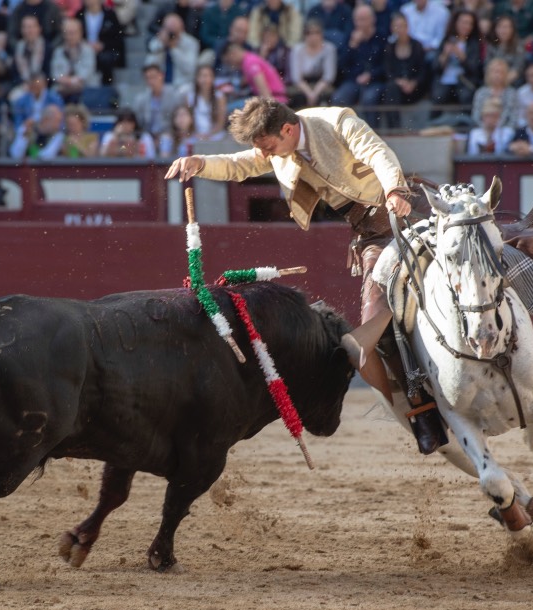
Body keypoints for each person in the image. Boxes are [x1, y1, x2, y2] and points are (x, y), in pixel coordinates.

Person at [163, 97, 449, 455]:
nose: (262, 153)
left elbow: (377, 152)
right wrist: (200, 163)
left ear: (286, 129)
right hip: (372, 234)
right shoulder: (276, 149)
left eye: (265, 144)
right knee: (363, 342)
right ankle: (421, 412)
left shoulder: (336, 121)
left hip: (409, 210)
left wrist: (394, 190)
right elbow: (241, 166)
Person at [329, 4, 383, 120]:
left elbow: (386, 66)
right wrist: (352, 46)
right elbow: (342, 64)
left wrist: (371, 75)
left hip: (375, 80)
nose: (360, 24)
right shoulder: (349, 37)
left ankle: (372, 133)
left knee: (369, 99)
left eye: (363, 19)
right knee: (339, 98)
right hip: (353, 80)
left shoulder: (381, 37)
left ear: (372, 19)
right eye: (357, 20)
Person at [429, 9, 483, 122]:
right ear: (456, 23)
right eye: (463, 22)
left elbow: (474, 69)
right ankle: (432, 125)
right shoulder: (446, 40)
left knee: (466, 96)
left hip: (464, 80)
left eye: (469, 23)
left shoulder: (474, 43)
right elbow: (435, 67)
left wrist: (462, 57)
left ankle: (466, 126)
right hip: (445, 80)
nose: (466, 26)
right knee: (438, 96)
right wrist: (445, 55)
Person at [380, 12, 429, 130]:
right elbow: (388, 71)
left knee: (391, 90)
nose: (400, 29)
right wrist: (399, 82)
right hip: (397, 89)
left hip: (415, 88)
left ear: (407, 27)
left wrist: (413, 83)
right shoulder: (389, 47)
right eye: (396, 26)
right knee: (391, 88)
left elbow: (423, 71)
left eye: (402, 26)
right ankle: (394, 127)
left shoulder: (417, 46)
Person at [222, 42, 288, 111]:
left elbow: (265, 92)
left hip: (277, 100)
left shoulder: (250, 63)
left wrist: (271, 112)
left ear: (233, 54)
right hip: (276, 98)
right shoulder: (249, 59)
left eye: (228, 61)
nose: (230, 65)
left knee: (226, 109)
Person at [74, 0, 126, 86]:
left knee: (106, 59)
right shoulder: (79, 15)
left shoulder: (110, 15)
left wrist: (103, 45)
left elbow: (117, 38)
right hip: (82, 49)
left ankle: (106, 87)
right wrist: (86, 45)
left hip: (105, 50)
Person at [49, 18, 101, 103]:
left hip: (84, 87)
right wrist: (67, 81)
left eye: (73, 33)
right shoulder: (58, 51)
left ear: (80, 33)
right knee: (52, 94)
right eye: (67, 33)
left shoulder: (88, 50)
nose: (70, 36)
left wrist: (72, 81)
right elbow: (55, 73)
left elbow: (86, 72)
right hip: (63, 88)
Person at [148, 13, 200, 91]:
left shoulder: (191, 42)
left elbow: (190, 69)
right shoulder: (158, 42)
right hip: (161, 85)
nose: (171, 35)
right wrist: (161, 45)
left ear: (182, 27)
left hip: (183, 84)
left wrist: (173, 49)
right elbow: (150, 65)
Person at [132, 62, 183, 142]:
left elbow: (179, 120)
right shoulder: (141, 99)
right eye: (147, 78)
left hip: (170, 135)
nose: (151, 81)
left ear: (161, 76)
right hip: (148, 136)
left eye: (153, 77)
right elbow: (139, 122)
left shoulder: (174, 95)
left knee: (165, 140)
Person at [179, 65, 228, 141]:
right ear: (196, 78)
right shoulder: (189, 97)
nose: (205, 79)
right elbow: (188, 121)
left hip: (215, 134)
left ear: (213, 78)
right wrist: (196, 134)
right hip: (195, 134)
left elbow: (220, 123)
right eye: (202, 76)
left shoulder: (219, 97)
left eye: (208, 76)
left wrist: (209, 135)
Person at [471, 58, 519, 129]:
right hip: (483, 130)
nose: (497, 75)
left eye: (500, 72)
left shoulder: (511, 93)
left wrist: (499, 129)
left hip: (505, 131)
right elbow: (476, 116)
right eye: (495, 72)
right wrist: (487, 128)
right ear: (489, 74)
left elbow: (513, 117)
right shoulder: (480, 93)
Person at [485, 15, 526, 86]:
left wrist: (503, 83)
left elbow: (517, 68)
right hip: (492, 82)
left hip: (512, 83)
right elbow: (487, 67)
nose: (503, 30)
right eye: (500, 27)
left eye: (506, 27)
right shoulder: (490, 45)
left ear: (512, 29)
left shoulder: (519, 46)